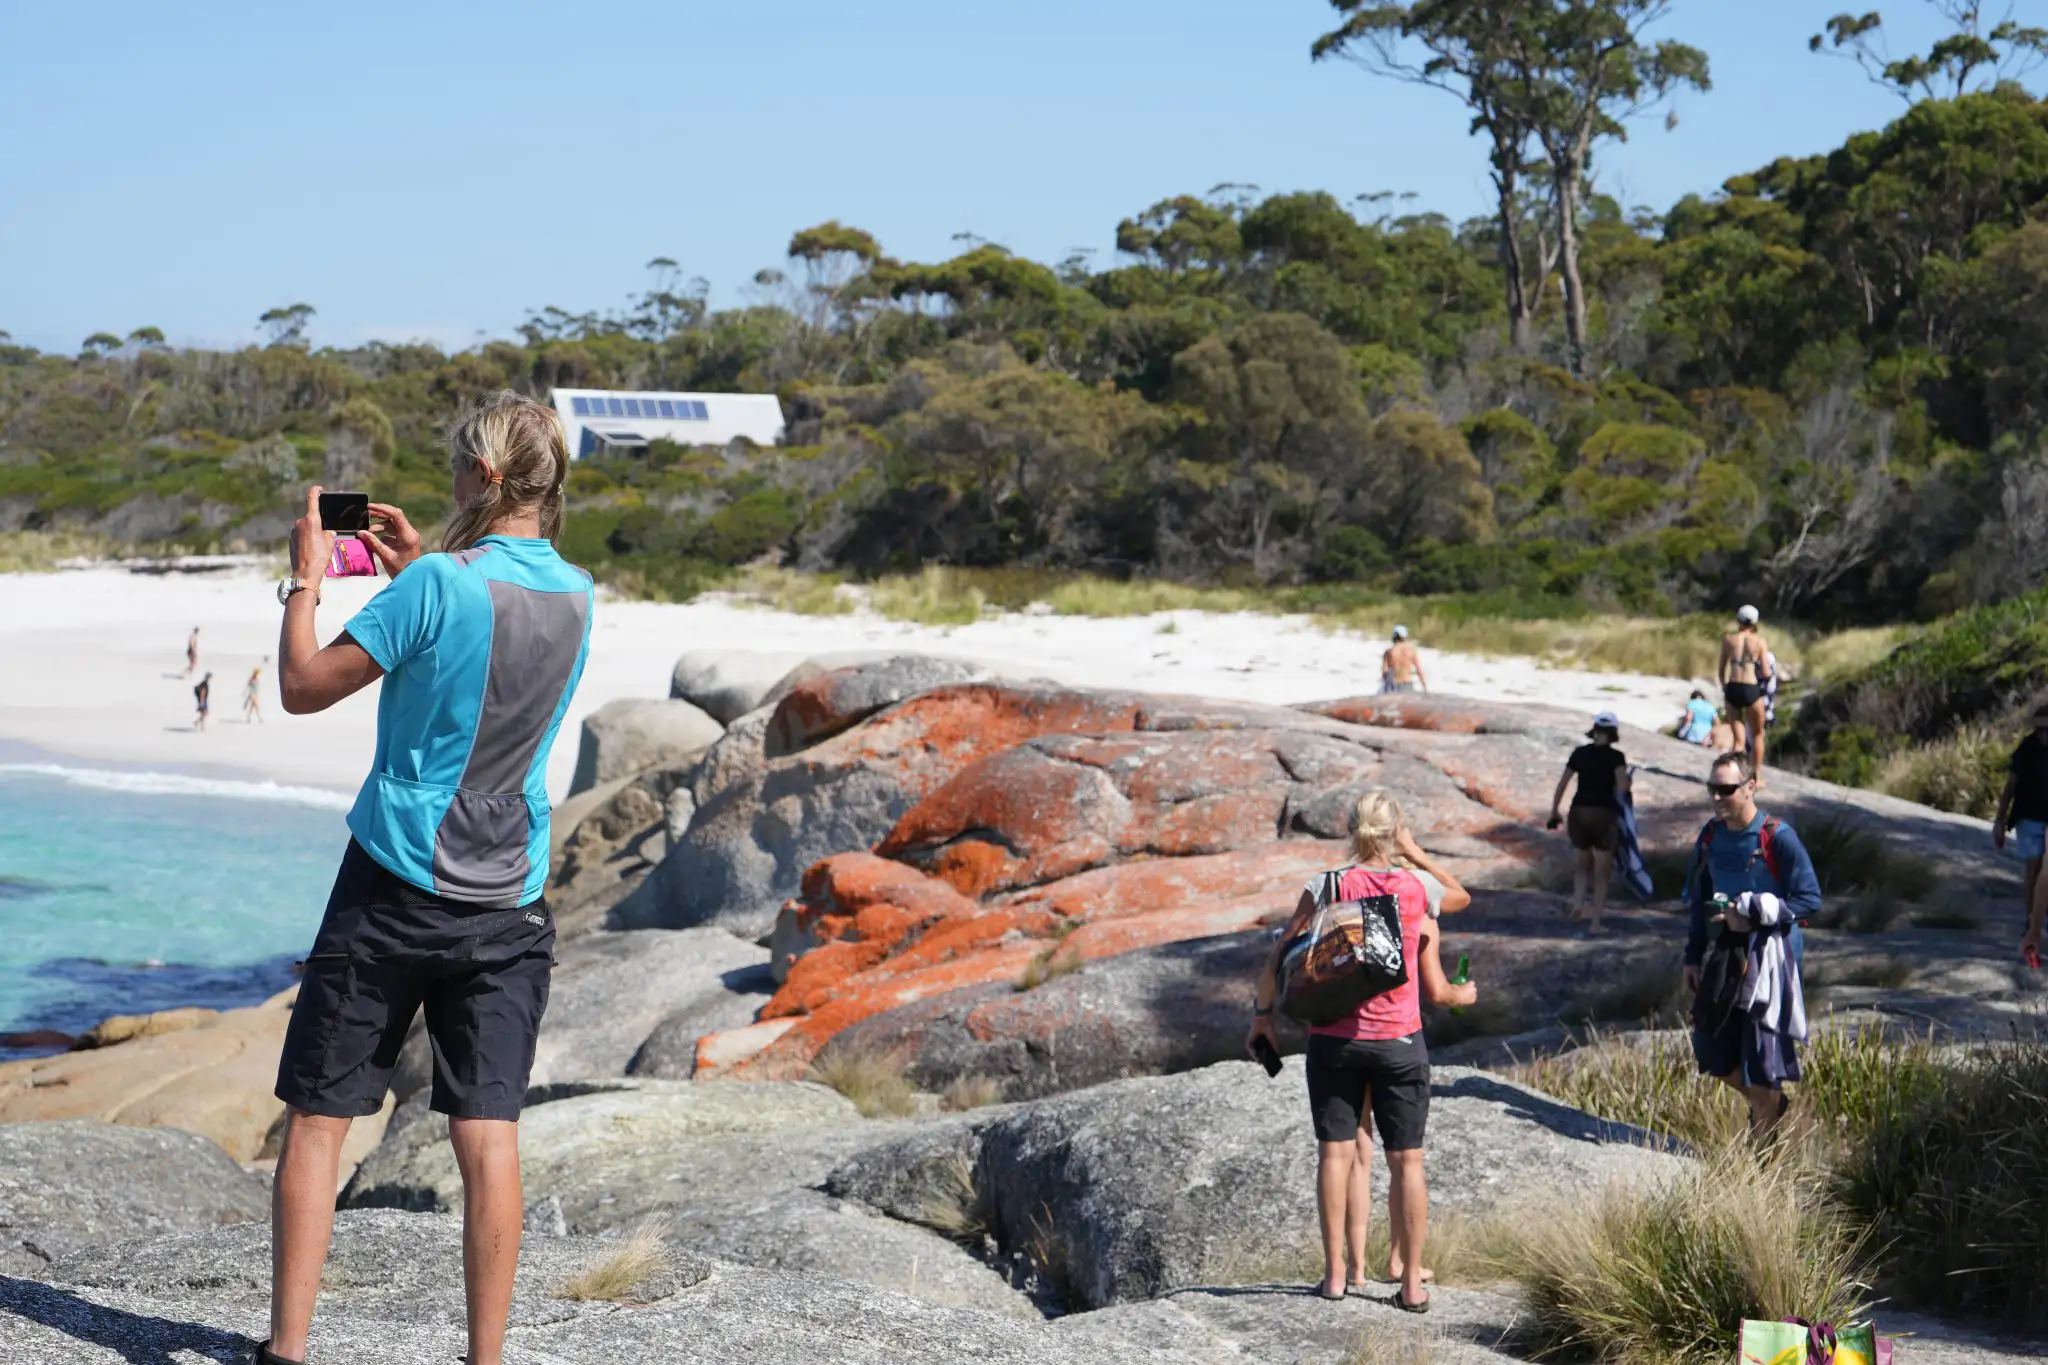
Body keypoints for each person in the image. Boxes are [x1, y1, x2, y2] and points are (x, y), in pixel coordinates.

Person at [259, 391, 592, 1365]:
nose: (448, 483)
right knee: (488, 1137)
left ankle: (287, 1350)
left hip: (393, 889)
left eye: (457, 467)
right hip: (510, 902)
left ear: (484, 477)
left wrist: (304, 585)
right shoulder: (575, 592)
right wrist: (419, 570)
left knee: (320, 1120)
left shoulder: (437, 586)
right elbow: (484, 652)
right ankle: (486, 1360)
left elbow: (300, 688)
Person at [1248, 791, 1474, 1314]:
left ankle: (1334, 1278)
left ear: (1350, 829)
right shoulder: (1416, 890)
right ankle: (1411, 1286)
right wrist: (1414, 852)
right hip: (1399, 1043)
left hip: (1334, 1041)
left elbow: (1281, 950)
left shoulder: (1326, 885)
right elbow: (1460, 896)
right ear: (1393, 830)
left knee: (1335, 1155)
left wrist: (1262, 1016)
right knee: (1407, 1161)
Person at [1682, 751, 1819, 1144]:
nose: (1717, 797)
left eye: (1726, 789)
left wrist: (1757, 915)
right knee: (1708, 1049)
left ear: (1750, 786)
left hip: (1771, 960)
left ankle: (1761, 1169)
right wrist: (1692, 955)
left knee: (1761, 1060)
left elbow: (1810, 900)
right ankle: (1770, 1106)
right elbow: (1699, 897)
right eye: (1712, 789)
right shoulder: (1710, 835)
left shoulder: (1778, 837)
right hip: (1726, 955)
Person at [1546, 711, 1630, 934]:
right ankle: (1595, 923)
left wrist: (1554, 811)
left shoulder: (1579, 753)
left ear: (1594, 730)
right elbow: (1622, 788)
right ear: (1613, 734)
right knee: (1602, 873)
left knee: (1582, 865)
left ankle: (1578, 904)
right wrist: (1627, 780)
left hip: (1579, 813)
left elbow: (1563, 783)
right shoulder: (1616, 757)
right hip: (1604, 815)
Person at [1992, 703, 2048, 931]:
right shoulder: (2027, 749)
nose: (2045, 735)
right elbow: (2010, 786)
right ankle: (2031, 918)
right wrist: (2000, 821)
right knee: (2033, 867)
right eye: (2041, 730)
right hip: (2029, 818)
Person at [1718, 606, 1773, 780]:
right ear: (1755, 622)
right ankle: (1756, 776)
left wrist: (1724, 686)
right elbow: (1765, 672)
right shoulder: (1759, 642)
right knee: (1757, 734)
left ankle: (1734, 776)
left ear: (1738, 620)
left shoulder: (1728, 640)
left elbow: (1721, 670)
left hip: (1733, 686)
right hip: (1750, 687)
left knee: (1738, 740)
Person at [1382, 626, 1428, 695]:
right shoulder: (1411, 651)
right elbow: (1419, 670)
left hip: (1394, 686)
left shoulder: (1389, 652)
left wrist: (1385, 687)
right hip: (1407, 685)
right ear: (1404, 637)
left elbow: (1384, 672)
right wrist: (1425, 687)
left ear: (1394, 637)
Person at [244, 657, 268, 724]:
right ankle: (259, 718)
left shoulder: (256, 678)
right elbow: (249, 686)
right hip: (252, 695)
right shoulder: (252, 678)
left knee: (252, 707)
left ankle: (248, 718)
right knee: (256, 706)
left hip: (256, 694)